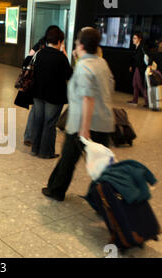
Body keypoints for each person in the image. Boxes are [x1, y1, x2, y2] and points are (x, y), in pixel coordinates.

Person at [41, 28, 115, 201]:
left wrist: (84, 129)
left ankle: (56, 190)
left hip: (83, 124)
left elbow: (87, 98)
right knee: (102, 165)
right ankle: (105, 199)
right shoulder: (101, 63)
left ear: (81, 44)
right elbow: (109, 86)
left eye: (77, 42)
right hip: (104, 122)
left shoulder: (83, 67)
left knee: (68, 160)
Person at [30, 26, 73, 159]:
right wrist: (65, 55)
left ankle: (35, 148)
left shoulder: (40, 53)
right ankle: (46, 152)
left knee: (38, 120)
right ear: (60, 41)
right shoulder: (61, 57)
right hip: (54, 96)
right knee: (49, 123)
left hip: (38, 93)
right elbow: (69, 75)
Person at [23, 26, 60, 146]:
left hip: (36, 84)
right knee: (43, 114)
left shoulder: (39, 44)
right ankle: (35, 138)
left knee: (36, 111)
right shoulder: (53, 48)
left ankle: (29, 136)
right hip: (48, 86)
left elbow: (28, 58)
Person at [128, 32, 148, 107]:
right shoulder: (136, 48)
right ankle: (135, 100)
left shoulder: (142, 48)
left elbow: (143, 59)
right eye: (133, 38)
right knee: (135, 84)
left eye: (135, 38)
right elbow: (134, 59)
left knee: (139, 84)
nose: (133, 40)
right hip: (137, 67)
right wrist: (131, 66)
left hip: (140, 68)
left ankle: (147, 101)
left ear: (139, 39)